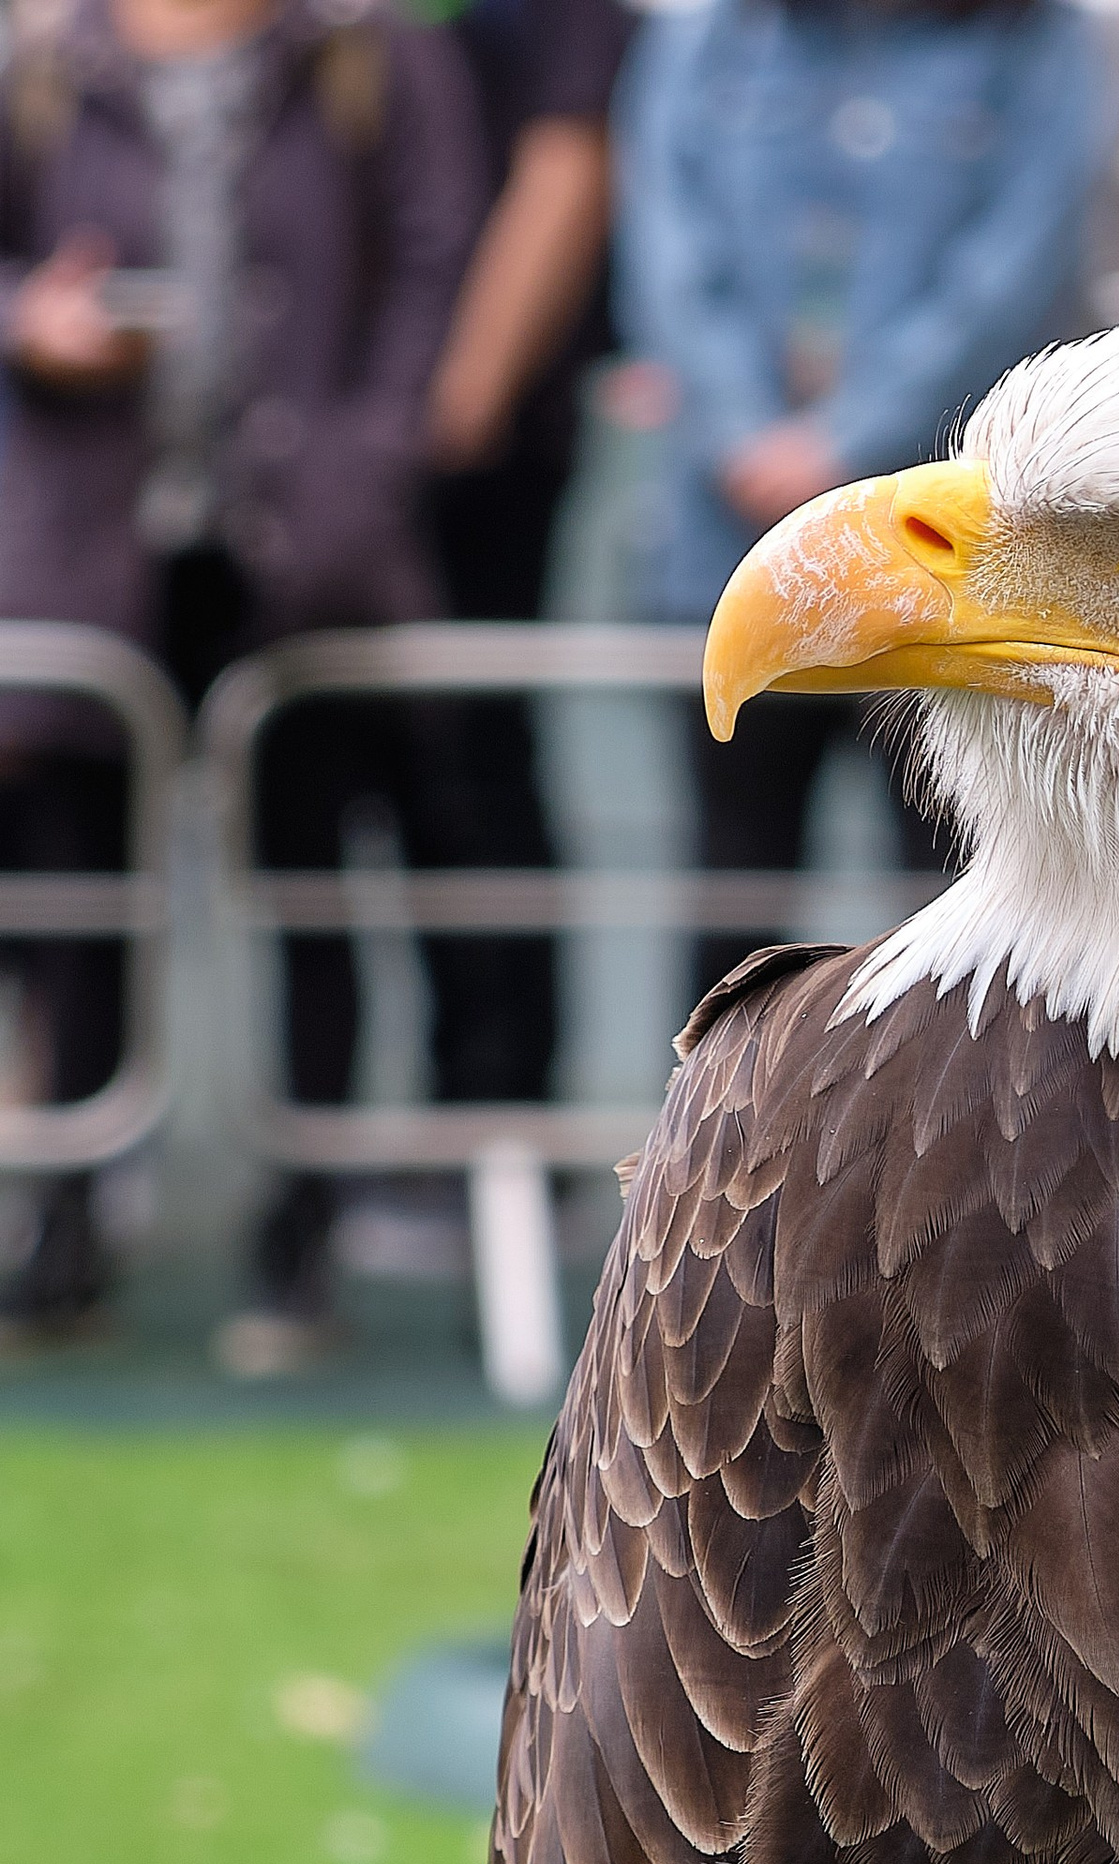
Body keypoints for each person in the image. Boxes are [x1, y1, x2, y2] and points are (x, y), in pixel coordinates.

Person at [0, 0, 481, 1361]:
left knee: (309, 889)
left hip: (308, 550)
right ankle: (66, 1226)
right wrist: (32, 320)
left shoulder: (372, 57)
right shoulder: (42, 64)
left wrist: (364, 466)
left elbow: (433, 271)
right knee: (83, 903)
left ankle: (300, 1241)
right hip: (89, 545)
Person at [615, 0, 1108, 1003]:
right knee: (729, 890)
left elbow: (1016, 267)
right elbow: (667, 245)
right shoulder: (710, 36)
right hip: (724, 541)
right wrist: (745, 432)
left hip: (956, 578)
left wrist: (844, 447)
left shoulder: (1041, 47)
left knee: (956, 909)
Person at [410, 0, 630, 1119]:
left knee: (474, 761)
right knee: (341, 778)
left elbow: (568, 168)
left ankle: (494, 1102)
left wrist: (460, 400)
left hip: (478, 449)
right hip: (335, 444)